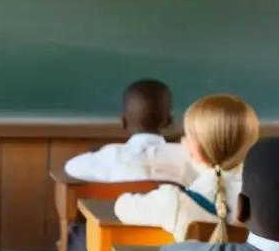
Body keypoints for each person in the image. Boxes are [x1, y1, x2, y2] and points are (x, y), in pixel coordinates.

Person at [114, 94, 260, 242]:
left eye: (186, 135)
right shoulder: (269, 200)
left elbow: (122, 207)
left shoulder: (173, 202)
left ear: (195, 149)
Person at [64, 79, 195, 186]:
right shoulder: (190, 159)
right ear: (170, 122)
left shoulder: (110, 157)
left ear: (123, 122)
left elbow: (71, 167)